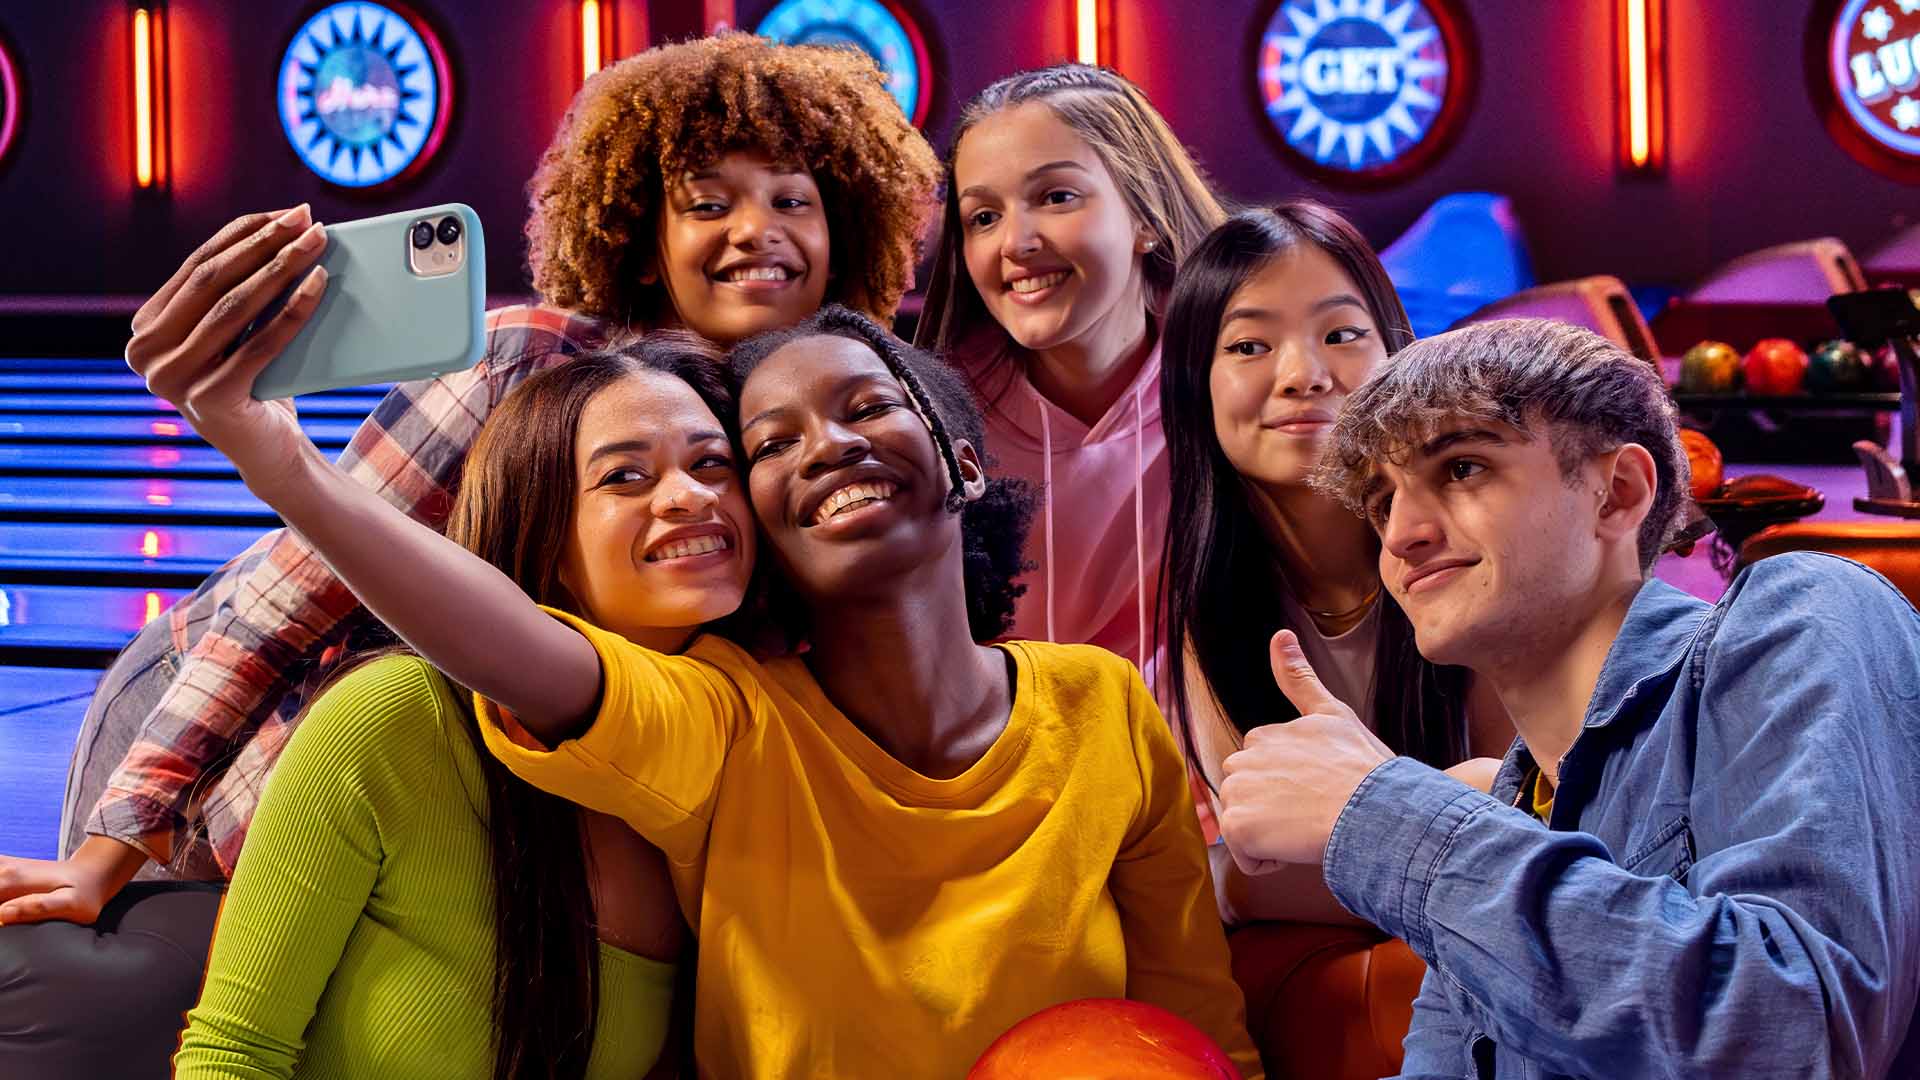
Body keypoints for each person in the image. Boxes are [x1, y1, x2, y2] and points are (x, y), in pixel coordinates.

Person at [134, 297, 1263, 1077]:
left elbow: (1197, 1025)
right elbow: (534, 662)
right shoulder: (734, 717)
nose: (825, 445)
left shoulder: (1102, 705)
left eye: (866, 408)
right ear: (768, 527)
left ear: (962, 459)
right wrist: (285, 467)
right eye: (770, 443)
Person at [0, 31, 939, 926]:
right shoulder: (531, 361)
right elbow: (292, 595)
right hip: (230, 738)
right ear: (646, 238)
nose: (755, 232)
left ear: (844, 226)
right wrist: (107, 850)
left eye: (792, 201)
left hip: (436, 795)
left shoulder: (801, 431)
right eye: (707, 205)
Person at [1217, 318, 1920, 1078]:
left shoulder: (1801, 611)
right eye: (1383, 502)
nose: (1404, 534)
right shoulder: (1508, 824)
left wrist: (1377, 809)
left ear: (1618, 494)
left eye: (1461, 468)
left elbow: (1796, 1034)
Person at [176, 337, 749, 1078]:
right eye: (626, 476)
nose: (690, 495)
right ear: (541, 532)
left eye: (712, 463)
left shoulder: (743, 749)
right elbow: (234, 1054)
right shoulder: (393, 719)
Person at [1157, 202, 1507, 925]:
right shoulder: (1210, 605)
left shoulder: (1472, 551)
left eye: (1342, 334)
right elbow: (1266, 856)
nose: (1303, 375)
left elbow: (1526, 823)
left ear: (1398, 359)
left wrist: (1242, 881)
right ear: (1196, 386)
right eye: (1250, 346)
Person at [915, 63, 1226, 675]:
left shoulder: (1237, 386)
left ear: (1145, 217)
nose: (1015, 242)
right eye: (984, 217)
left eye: (1056, 197)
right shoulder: (929, 422)